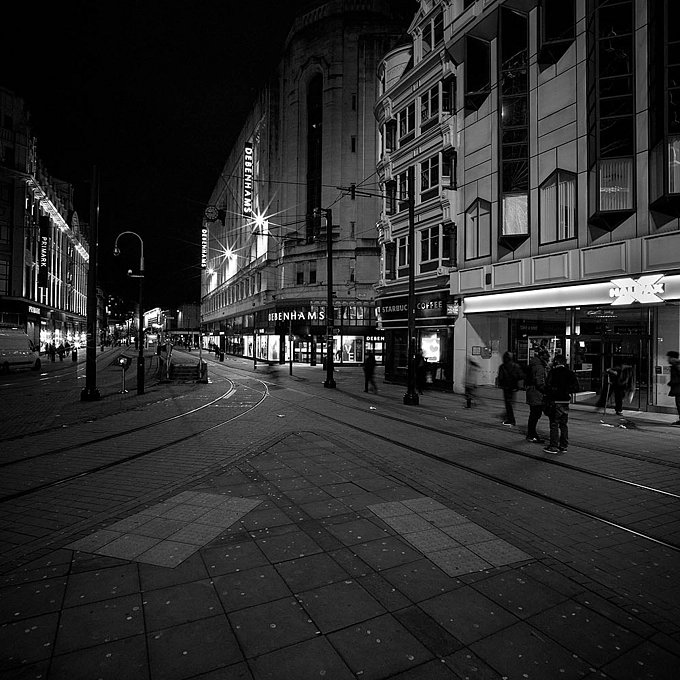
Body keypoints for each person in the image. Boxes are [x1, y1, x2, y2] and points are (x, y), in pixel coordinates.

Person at [543, 354, 581, 454]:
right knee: (563, 424)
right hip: (565, 401)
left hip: (555, 401)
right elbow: (576, 387)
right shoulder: (569, 373)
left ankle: (553, 446)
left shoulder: (553, 372)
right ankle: (563, 446)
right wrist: (566, 391)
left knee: (554, 424)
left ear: (556, 362)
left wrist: (552, 393)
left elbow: (547, 386)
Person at [525, 349, 549, 443]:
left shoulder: (534, 365)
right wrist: (545, 391)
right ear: (542, 357)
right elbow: (539, 382)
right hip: (536, 393)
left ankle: (531, 434)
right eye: (547, 357)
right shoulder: (539, 367)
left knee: (534, 414)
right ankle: (531, 434)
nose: (548, 359)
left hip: (532, 392)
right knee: (535, 414)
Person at [497, 351, 524, 426]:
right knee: (511, 403)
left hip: (506, 387)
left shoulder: (502, 366)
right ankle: (510, 418)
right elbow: (521, 376)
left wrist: (501, 384)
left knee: (508, 404)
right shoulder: (516, 366)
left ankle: (511, 420)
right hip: (514, 386)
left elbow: (501, 377)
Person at [668, 351, 680, 425]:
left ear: (673, 358)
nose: (668, 359)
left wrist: (673, 382)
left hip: (679, 389)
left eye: (669, 357)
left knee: (679, 404)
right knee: (678, 404)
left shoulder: (677, 366)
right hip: (677, 388)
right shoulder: (675, 366)